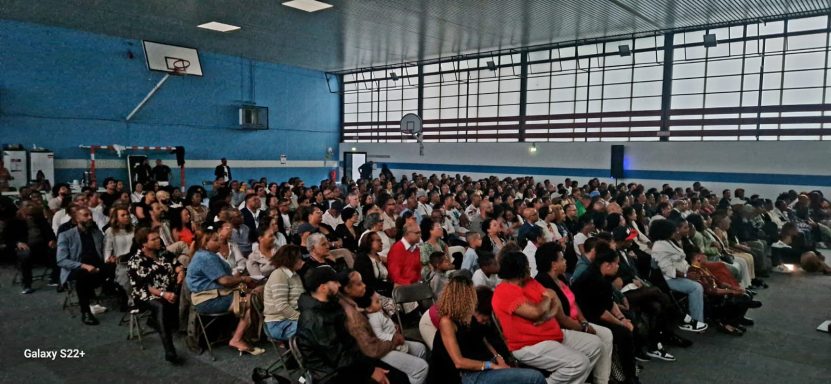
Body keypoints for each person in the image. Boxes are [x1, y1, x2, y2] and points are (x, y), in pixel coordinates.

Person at [492, 250, 602, 384]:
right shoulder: (503, 292)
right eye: (527, 266)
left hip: (552, 334)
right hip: (529, 345)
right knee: (579, 363)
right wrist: (545, 302)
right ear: (520, 270)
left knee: (595, 344)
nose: (529, 268)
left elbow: (554, 301)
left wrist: (546, 314)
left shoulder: (530, 282)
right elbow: (536, 312)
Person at [428, 274, 547, 384]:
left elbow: (482, 338)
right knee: (535, 377)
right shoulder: (447, 322)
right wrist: (491, 365)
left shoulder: (466, 317)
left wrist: (497, 357)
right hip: (462, 376)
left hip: (478, 367)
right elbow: (459, 362)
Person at [295, 266, 402, 384]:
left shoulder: (328, 305)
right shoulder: (314, 320)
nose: (339, 285)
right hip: (333, 375)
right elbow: (338, 358)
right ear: (323, 287)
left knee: (397, 374)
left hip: (349, 364)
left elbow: (349, 346)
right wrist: (371, 371)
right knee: (395, 378)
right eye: (334, 282)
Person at [534, 241, 616, 384]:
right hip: (564, 327)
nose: (566, 262)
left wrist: (583, 321)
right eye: (562, 259)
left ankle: (602, 380)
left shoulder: (560, 277)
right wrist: (583, 327)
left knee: (606, 334)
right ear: (553, 264)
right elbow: (560, 317)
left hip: (577, 321)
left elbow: (573, 302)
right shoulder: (543, 283)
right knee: (597, 342)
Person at [186, 223, 265, 355]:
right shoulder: (206, 257)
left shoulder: (207, 255)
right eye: (215, 240)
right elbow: (224, 281)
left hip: (217, 295)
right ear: (205, 243)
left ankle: (240, 331)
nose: (219, 242)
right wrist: (243, 279)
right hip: (209, 300)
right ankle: (237, 338)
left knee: (249, 294)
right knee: (250, 299)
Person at [341, 270, 428, 384]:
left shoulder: (363, 306)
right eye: (359, 284)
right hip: (381, 350)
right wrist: (394, 339)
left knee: (420, 349)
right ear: (347, 289)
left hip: (386, 344)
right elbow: (373, 347)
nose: (364, 285)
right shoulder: (356, 316)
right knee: (421, 367)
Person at [570, 244, 640, 384]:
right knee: (623, 332)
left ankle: (630, 364)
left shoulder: (602, 275)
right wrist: (622, 323)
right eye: (616, 264)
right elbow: (600, 312)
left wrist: (621, 317)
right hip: (587, 317)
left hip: (598, 312)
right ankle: (629, 375)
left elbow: (609, 302)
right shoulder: (591, 279)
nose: (618, 267)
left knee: (629, 317)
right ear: (607, 265)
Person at [127, 228, 184, 364]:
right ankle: (169, 350)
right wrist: (164, 294)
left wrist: (180, 271)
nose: (158, 240)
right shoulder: (136, 260)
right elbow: (144, 285)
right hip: (146, 294)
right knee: (160, 306)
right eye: (154, 239)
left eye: (158, 237)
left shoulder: (163, 252)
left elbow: (176, 264)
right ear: (144, 244)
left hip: (170, 288)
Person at [648, 219, 708, 332]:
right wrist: (686, 275)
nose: (674, 231)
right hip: (669, 280)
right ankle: (696, 321)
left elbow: (681, 260)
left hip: (681, 274)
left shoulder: (668, 242)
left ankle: (701, 316)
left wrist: (691, 269)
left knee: (703, 279)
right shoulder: (659, 247)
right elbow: (667, 269)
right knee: (696, 287)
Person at [56, 207, 112, 325]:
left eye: (90, 215)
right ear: (76, 219)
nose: (90, 218)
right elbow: (61, 260)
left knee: (116, 266)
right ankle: (85, 312)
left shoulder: (96, 233)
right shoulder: (66, 235)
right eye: (86, 215)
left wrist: (109, 258)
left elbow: (103, 251)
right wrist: (83, 265)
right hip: (77, 269)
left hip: (97, 267)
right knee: (83, 275)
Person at [685, 252, 761, 335]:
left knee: (747, 293)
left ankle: (737, 319)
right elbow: (712, 291)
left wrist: (734, 287)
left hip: (718, 291)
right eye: (702, 255)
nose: (705, 256)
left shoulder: (703, 267)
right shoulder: (694, 271)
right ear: (697, 257)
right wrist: (731, 291)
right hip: (712, 298)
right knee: (743, 298)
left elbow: (719, 282)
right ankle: (726, 324)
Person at [12, 200, 58, 293]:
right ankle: (26, 284)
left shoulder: (39, 218)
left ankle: (55, 278)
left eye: (31, 205)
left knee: (56, 251)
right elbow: (9, 237)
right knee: (25, 255)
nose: (31, 207)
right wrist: (18, 243)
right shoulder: (16, 221)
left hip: (42, 244)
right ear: (21, 208)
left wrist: (51, 240)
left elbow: (49, 232)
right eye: (28, 205)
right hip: (25, 246)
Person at [263, 244, 305, 341]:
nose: (301, 261)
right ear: (290, 260)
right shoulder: (279, 275)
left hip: (291, 319)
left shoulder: (295, 275)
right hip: (278, 323)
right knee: (313, 327)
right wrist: (303, 318)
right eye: (299, 258)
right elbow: (282, 306)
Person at [354, 231, 394, 297]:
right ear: (369, 242)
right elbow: (370, 283)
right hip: (373, 294)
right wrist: (393, 286)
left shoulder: (377, 256)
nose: (382, 243)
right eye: (378, 240)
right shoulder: (362, 259)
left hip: (386, 289)